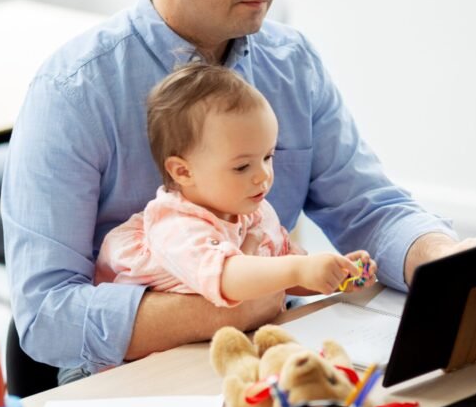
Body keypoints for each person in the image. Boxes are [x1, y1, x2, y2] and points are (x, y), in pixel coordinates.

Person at [3, 0, 476, 380]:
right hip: (140, 388)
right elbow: (46, 316)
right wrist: (238, 301)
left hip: (280, 361)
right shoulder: (73, 92)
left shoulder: (292, 61)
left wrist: (444, 262)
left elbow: (368, 208)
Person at [94, 62, 377, 304]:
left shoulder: (254, 210)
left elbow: (275, 278)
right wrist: (300, 269)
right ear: (183, 172)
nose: (263, 175)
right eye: (242, 166)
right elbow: (229, 276)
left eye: (268, 157)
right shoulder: (175, 225)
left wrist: (332, 277)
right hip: (147, 361)